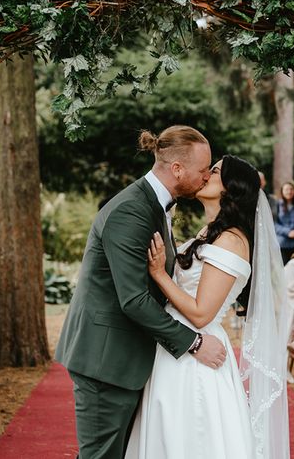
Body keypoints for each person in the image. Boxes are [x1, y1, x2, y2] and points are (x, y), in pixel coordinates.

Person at [55, 126, 227, 459]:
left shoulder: (154, 205)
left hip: (124, 358)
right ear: (177, 169)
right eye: (203, 170)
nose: (206, 177)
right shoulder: (131, 211)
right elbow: (133, 299)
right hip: (105, 361)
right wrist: (195, 342)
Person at [126, 155, 289, 459]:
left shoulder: (231, 240)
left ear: (231, 187)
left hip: (196, 354)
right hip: (175, 345)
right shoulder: (209, 233)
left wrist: (160, 274)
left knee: (192, 438)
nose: (204, 174)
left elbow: (202, 313)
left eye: (213, 171)